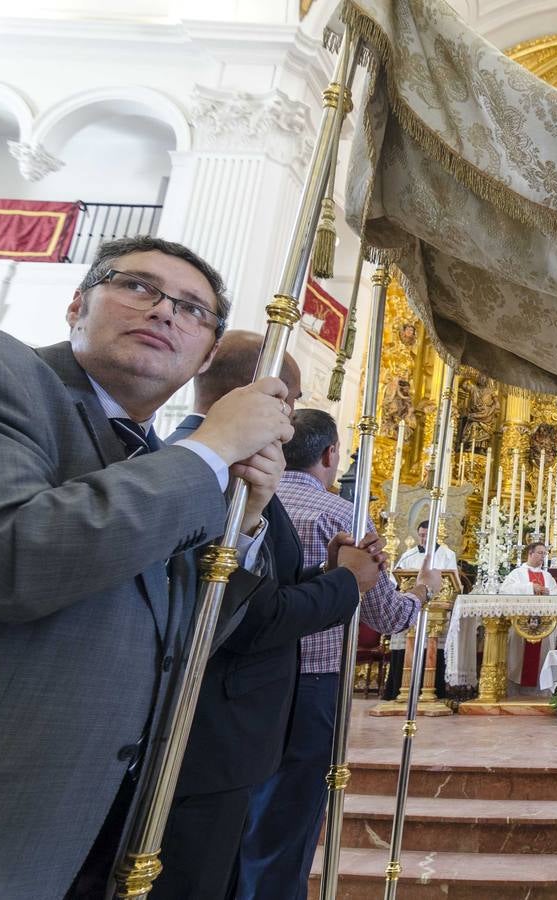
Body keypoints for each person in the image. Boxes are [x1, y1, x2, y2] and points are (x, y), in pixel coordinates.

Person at [0, 236, 293, 897]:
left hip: (107, 813)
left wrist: (248, 518)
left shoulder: (157, 459)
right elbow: (8, 556)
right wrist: (209, 450)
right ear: (76, 304)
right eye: (138, 287)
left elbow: (188, 635)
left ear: (205, 354)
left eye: (191, 309)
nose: (163, 312)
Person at [152, 332, 379, 900]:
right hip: (208, 727)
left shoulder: (247, 475)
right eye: (290, 398)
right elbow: (247, 614)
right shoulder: (209, 471)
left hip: (243, 723)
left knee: (239, 858)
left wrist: (326, 576)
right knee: (214, 867)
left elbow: (252, 587)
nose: (292, 417)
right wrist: (347, 582)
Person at [233, 409, 431, 900]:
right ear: (329, 454)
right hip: (314, 682)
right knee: (289, 818)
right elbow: (385, 615)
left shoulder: (244, 497)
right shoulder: (343, 514)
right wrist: (421, 596)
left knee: (235, 810)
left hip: (237, 678)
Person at [385, 519, 457, 701]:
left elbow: (452, 579)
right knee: (405, 645)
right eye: (421, 535)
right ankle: (400, 692)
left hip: (436, 610)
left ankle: (432, 691)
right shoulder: (409, 555)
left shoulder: (447, 554)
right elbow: (396, 580)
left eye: (427, 535)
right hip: (411, 607)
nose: (424, 539)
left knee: (433, 648)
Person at [501, 541, 557, 690]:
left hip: (544, 625)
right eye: (540, 553)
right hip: (522, 623)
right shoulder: (517, 573)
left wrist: (549, 592)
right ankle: (516, 689)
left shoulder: (546, 576)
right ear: (530, 553)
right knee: (518, 655)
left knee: (542, 656)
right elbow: (505, 590)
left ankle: (542, 688)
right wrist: (530, 588)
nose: (543, 557)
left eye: (544, 554)